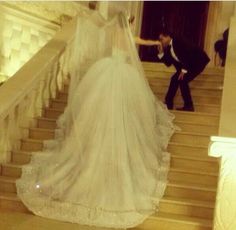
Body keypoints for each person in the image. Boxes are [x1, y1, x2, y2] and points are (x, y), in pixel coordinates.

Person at [16, 12, 176, 229]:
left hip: (106, 70)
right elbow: (140, 41)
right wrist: (156, 42)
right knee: (120, 110)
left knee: (99, 110)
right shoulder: (126, 34)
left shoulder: (110, 31)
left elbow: (101, 27)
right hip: (119, 74)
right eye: (131, 22)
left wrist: (89, 18)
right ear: (127, 22)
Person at [157, 30, 210, 111]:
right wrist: (161, 53)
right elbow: (168, 64)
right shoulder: (167, 48)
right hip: (187, 64)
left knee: (183, 80)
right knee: (175, 79)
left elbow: (189, 54)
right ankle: (168, 104)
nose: (160, 41)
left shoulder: (178, 40)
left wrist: (184, 70)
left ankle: (189, 106)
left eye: (161, 39)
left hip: (197, 61)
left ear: (168, 37)